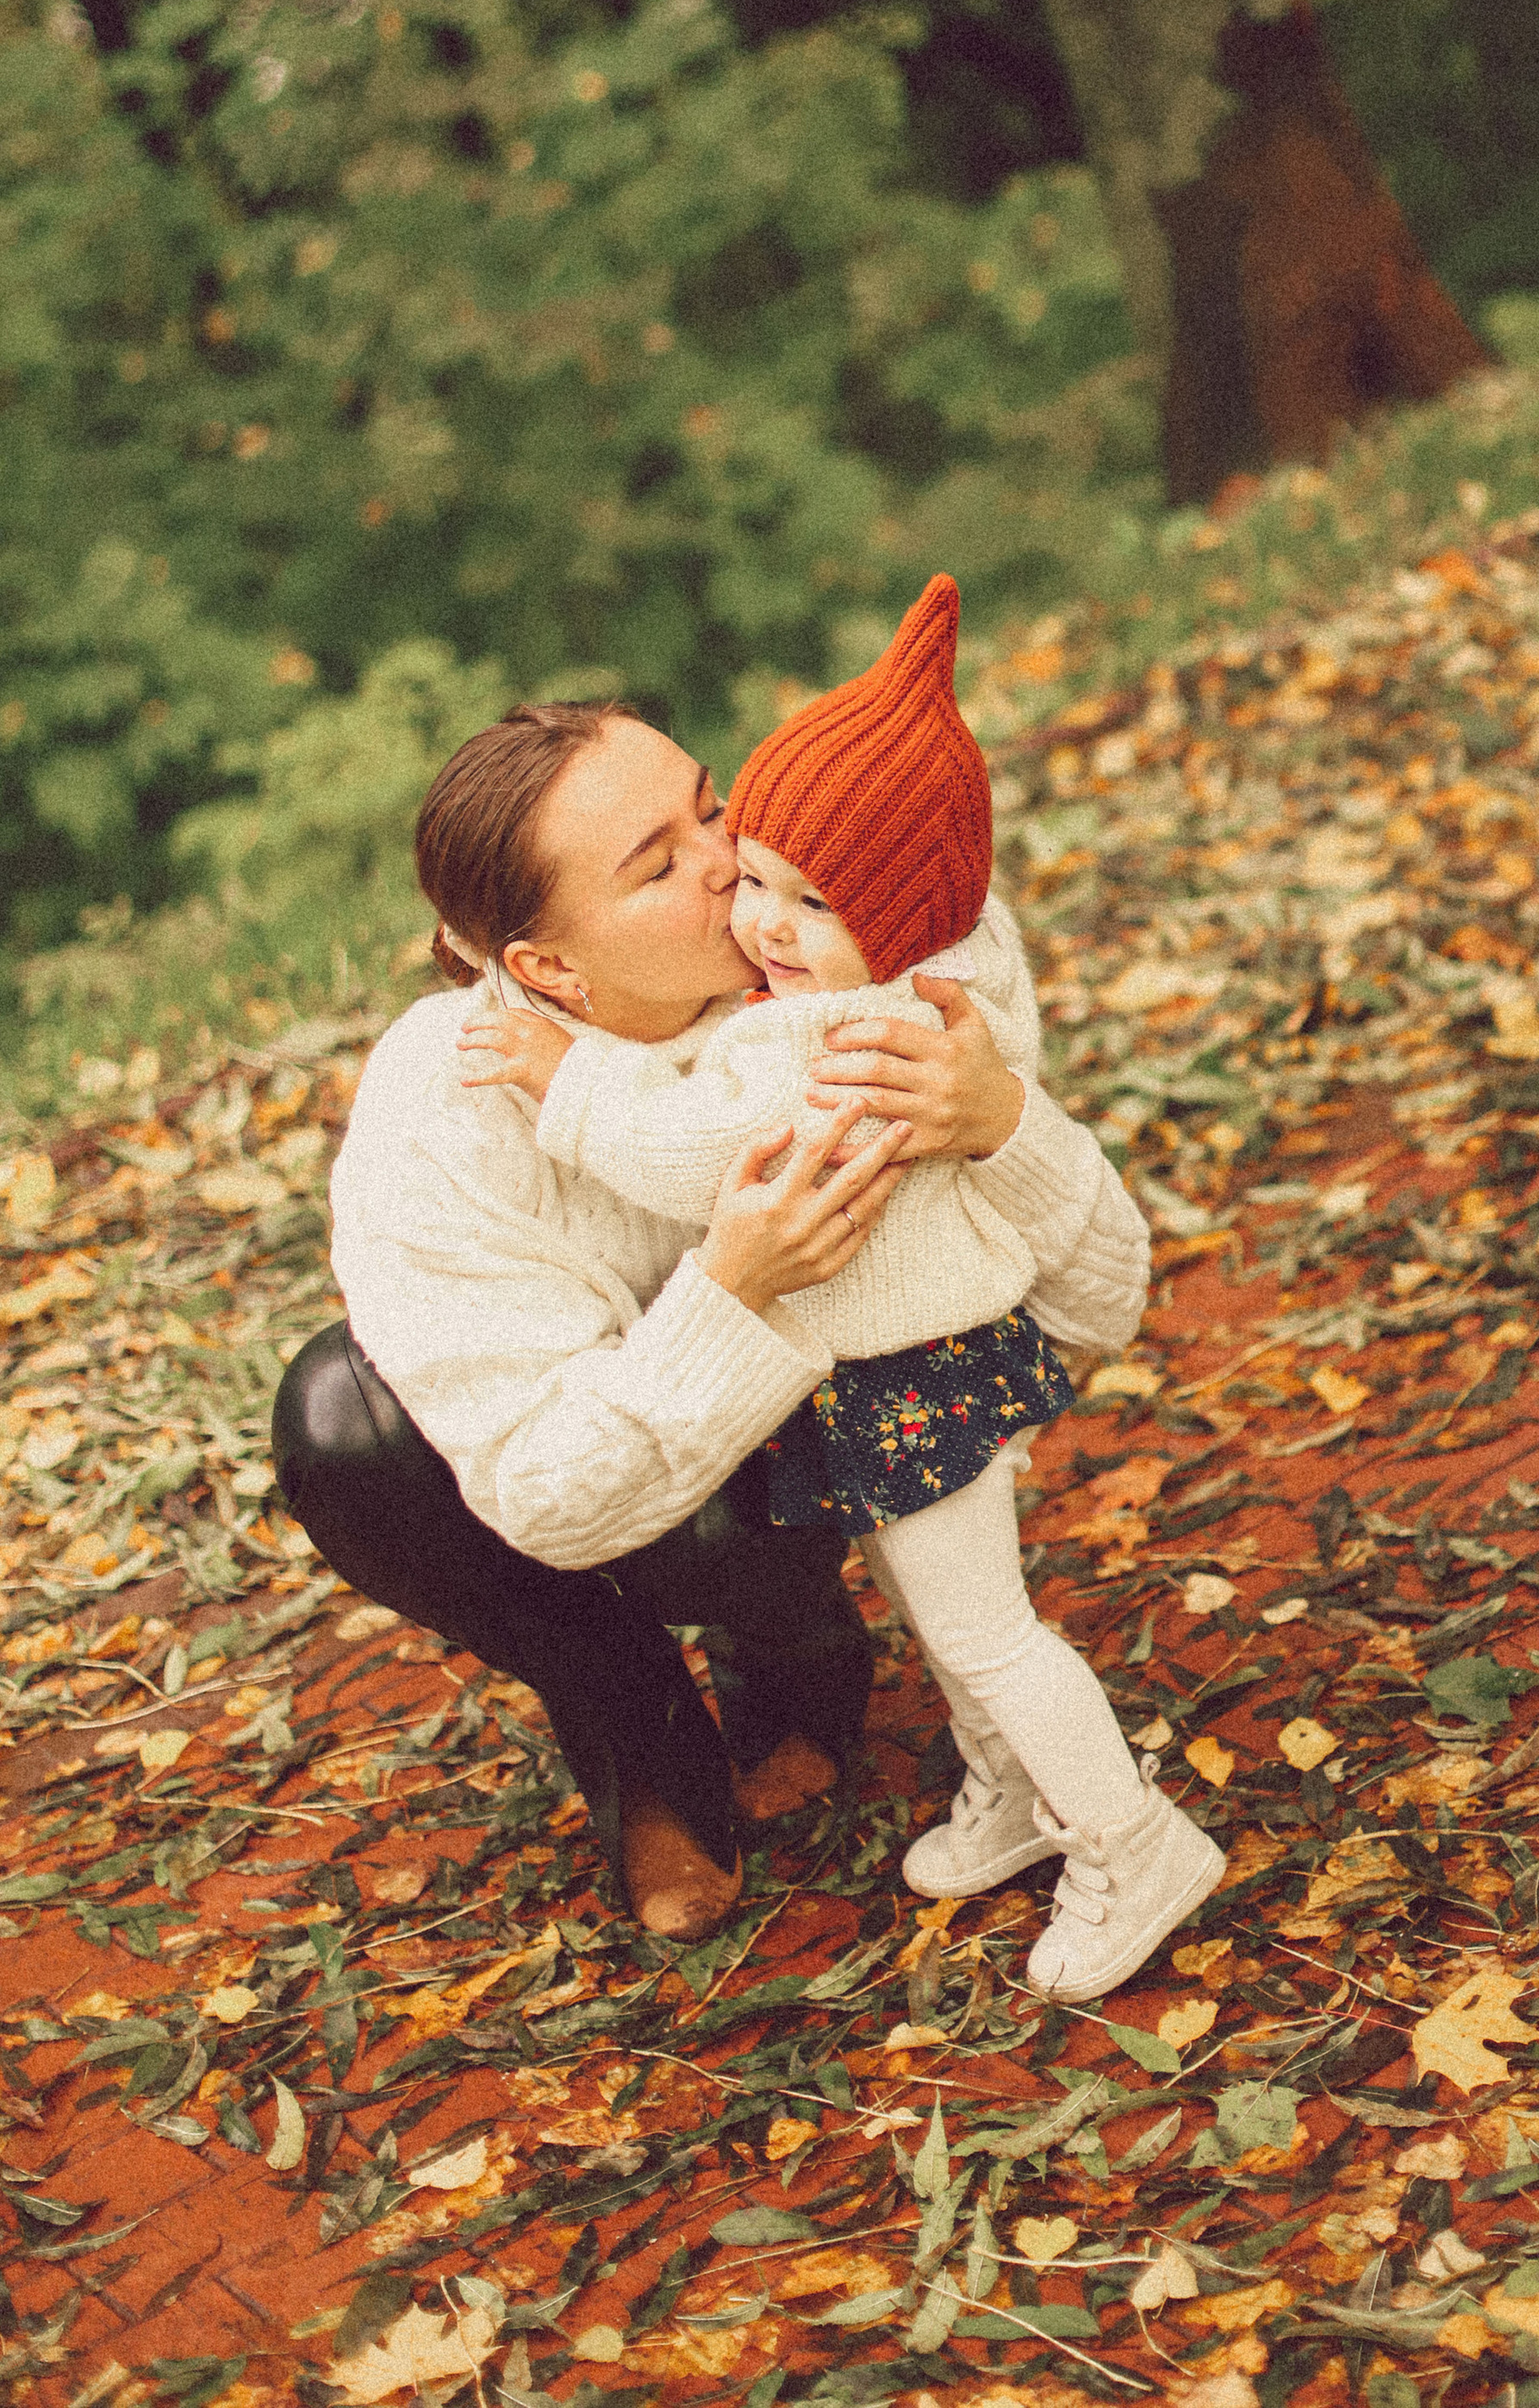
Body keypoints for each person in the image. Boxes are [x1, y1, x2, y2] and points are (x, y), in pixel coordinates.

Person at [459, 577, 1223, 2003]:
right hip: (906, 1370)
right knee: (940, 1612)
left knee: (988, 1631)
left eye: (814, 904)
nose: (761, 922)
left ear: (905, 915)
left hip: (915, 1377)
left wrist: (574, 1084)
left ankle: (1133, 1841)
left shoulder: (836, 1037)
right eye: (756, 878)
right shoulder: (885, 986)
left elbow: (700, 1153)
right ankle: (1009, 1793)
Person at [273, 689, 1124, 1942]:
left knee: (794, 1491)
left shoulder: (860, 949)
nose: (731, 859)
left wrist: (1003, 1122)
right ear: (547, 970)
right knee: (341, 1425)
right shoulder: (442, 1112)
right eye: (659, 865)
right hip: (609, 1450)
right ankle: (633, 1723)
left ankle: (793, 1645)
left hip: (832, 1431)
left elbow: (1102, 1299)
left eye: (712, 806)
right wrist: (734, 1287)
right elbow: (553, 1497)